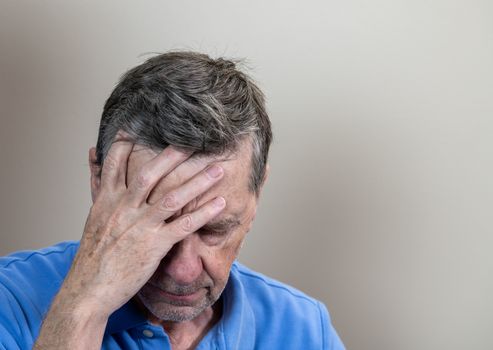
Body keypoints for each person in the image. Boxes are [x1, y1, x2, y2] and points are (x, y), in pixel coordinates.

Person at [0, 51, 345, 349]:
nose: (182, 271)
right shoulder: (9, 301)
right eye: (157, 225)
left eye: (214, 230)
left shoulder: (304, 328)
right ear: (97, 179)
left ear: (258, 193)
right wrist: (83, 309)